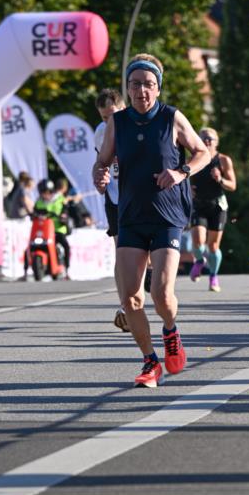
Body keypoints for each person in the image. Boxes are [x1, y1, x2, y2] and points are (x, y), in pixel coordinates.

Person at [93, 53, 209, 387]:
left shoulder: (172, 118)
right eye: (135, 84)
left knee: (161, 294)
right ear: (127, 88)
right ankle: (150, 362)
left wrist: (180, 171)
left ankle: (170, 331)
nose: (142, 90)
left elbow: (204, 153)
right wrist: (99, 176)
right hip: (131, 216)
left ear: (157, 88)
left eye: (148, 84)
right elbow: (102, 162)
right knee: (130, 298)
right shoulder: (119, 122)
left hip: (167, 216)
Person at [94, 89, 131, 331]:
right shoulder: (100, 133)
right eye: (104, 117)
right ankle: (125, 306)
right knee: (121, 251)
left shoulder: (135, 125)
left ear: (122, 108)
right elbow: (101, 162)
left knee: (141, 253)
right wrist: (99, 177)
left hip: (139, 196)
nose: (108, 122)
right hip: (115, 197)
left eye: (112, 116)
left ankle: (143, 281)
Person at [188, 127, 237, 292]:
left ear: (216, 142)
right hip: (199, 204)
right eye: (203, 138)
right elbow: (182, 178)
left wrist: (220, 179)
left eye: (210, 139)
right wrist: (187, 188)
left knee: (213, 246)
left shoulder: (223, 160)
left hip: (217, 205)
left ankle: (213, 277)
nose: (207, 141)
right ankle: (200, 261)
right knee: (197, 241)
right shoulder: (192, 159)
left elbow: (233, 185)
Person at [33, 178, 70, 273]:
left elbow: (65, 210)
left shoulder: (60, 199)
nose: (45, 194)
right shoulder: (39, 202)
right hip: (44, 230)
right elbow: (34, 212)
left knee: (65, 245)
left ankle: (67, 269)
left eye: (47, 192)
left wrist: (63, 215)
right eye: (42, 192)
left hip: (58, 229)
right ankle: (26, 269)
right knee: (30, 246)